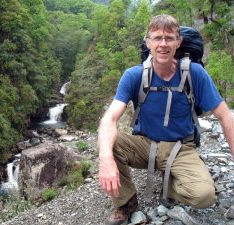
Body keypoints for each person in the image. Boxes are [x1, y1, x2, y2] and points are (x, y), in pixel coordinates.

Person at [97, 14, 234, 225]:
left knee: (204, 196)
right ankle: (126, 201)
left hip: (181, 147)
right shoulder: (134, 75)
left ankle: (170, 182)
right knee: (110, 141)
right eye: (157, 38)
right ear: (147, 41)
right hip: (145, 144)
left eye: (169, 38)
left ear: (178, 42)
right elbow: (109, 119)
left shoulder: (194, 73)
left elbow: (225, 116)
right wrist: (105, 159)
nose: (163, 44)